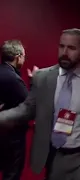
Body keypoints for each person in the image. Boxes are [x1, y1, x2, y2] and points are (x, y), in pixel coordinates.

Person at [0, 28, 80, 180]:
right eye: (61, 46)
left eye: (71, 48)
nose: (64, 52)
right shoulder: (43, 77)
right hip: (55, 156)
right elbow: (26, 109)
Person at [0, 40, 28, 180]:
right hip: (11, 140)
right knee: (11, 175)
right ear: (18, 57)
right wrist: (34, 83)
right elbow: (29, 107)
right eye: (24, 56)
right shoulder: (14, 80)